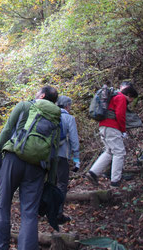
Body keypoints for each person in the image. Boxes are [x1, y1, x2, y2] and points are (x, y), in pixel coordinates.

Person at [0, 86, 60, 250]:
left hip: (13, 158)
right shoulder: (56, 119)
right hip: (38, 167)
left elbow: (7, 130)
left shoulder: (24, 105)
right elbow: (54, 151)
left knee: (2, 204)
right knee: (29, 212)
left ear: (42, 95)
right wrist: (51, 179)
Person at [87, 84, 138, 187]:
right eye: (132, 97)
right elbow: (120, 115)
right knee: (119, 152)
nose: (132, 100)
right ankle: (115, 181)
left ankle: (93, 173)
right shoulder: (121, 98)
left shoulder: (114, 97)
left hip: (103, 127)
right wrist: (123, 130)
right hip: (112, 128)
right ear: (128, 94)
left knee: (109, 151)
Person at [56, 95, 80, 224]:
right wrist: (76, 159)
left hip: (46, 156)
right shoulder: (69, 118)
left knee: (49, 183)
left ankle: (44, 211)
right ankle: (58, 214)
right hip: (62, 156)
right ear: (66, 106)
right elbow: (74, 140)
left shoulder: (48, 115)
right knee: (61, 184)